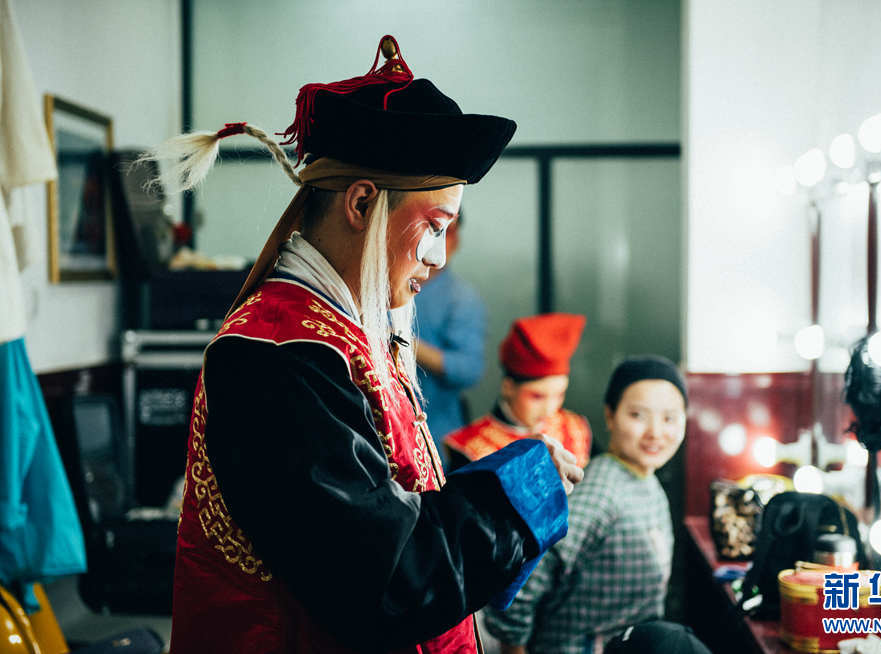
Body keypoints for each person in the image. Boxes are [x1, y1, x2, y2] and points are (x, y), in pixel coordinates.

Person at [144, 36, 583, 654]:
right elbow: (386, 581)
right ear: (361, 203)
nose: (437, 257)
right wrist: (516, 499)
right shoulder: (277, 356)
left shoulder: (341, 332)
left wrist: (505, 481)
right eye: (434, 226)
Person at [484, 355, 688, 654]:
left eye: (669, 418)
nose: (655, 432)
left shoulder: (647, 480)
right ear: (610, 415)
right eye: (637, 415)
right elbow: (525, 579)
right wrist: (512, 645)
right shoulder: (601, 493)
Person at [444, 313, 592, 470]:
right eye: (537, 396)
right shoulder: (470, 448)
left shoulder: (575, 428)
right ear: (508, 387)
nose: (549, 409)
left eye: (559, 395)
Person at [414, 211, 488, 462]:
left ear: (456, 240)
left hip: (434, 435)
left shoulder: (461, 299)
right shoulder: (384, 286)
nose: (438, 241)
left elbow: (469, 369)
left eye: (448, 232)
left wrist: (406, 344)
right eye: (433, 230)